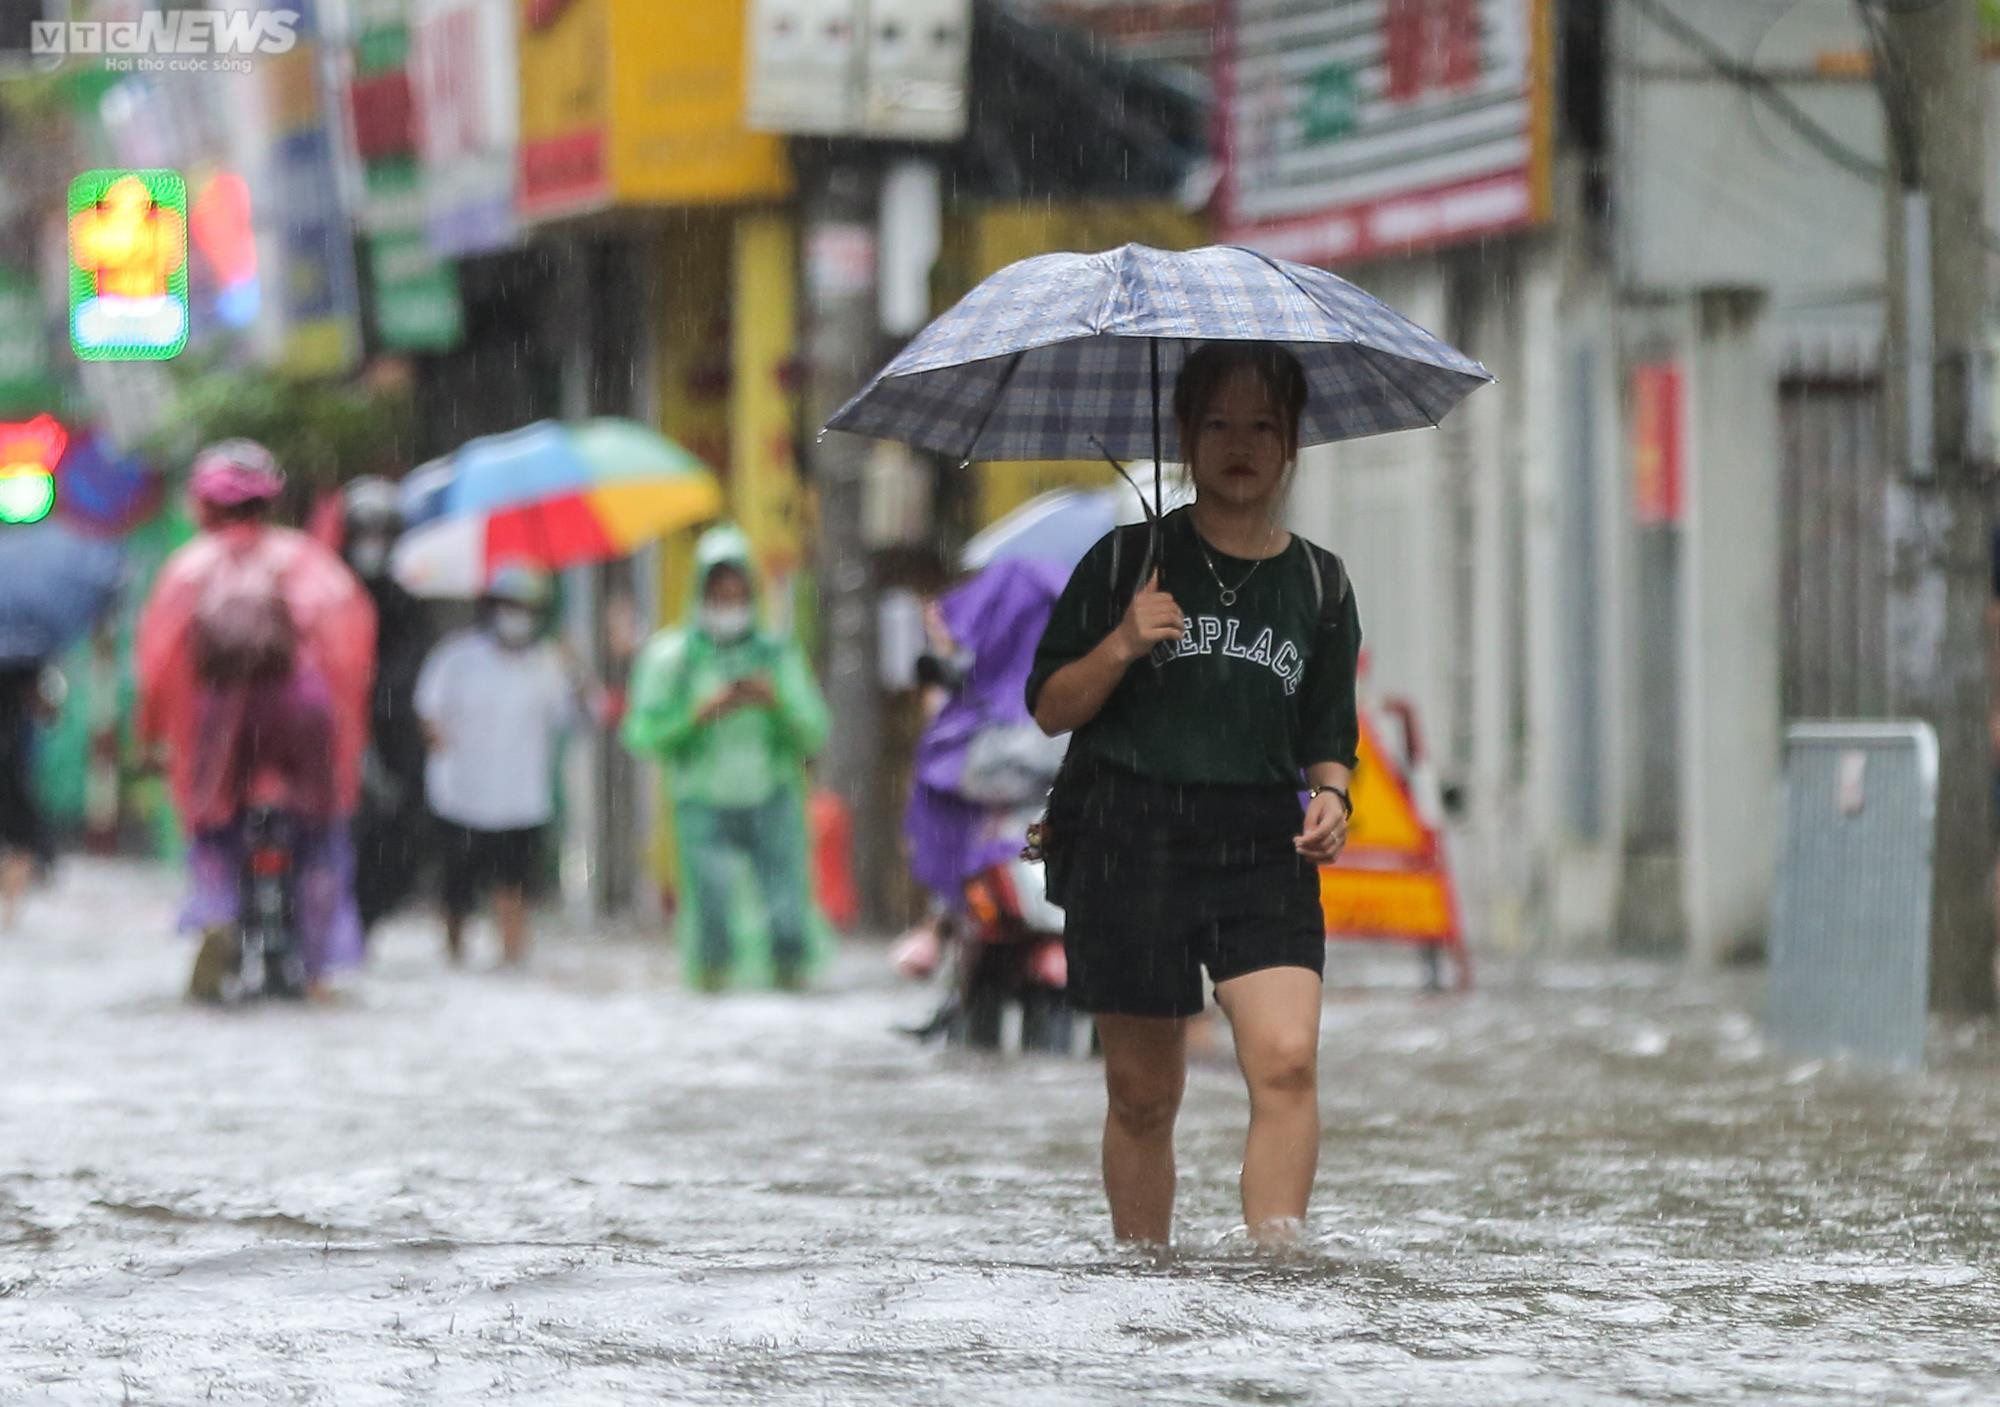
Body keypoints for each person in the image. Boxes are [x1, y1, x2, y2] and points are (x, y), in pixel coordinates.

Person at [1025, 340, 1361, 1249]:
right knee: (1143, 1093)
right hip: (1129, 838)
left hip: (1260, 844)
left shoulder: (1320, 583)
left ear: (1291, 442)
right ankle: (1145, 1278)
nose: (1240, 445)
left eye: (1262, 426)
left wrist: (1333, 798)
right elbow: (1050, 707)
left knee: (1287, 1061)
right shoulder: (1125, 561)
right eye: (1218, 424)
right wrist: (1122, 642)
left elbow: (1328, 734)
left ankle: (1278, 1273)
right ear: (1184, 434)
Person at [135, 440, 377, 1000]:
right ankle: (317, 969)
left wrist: (151, 737)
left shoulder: (189, 569)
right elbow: (351, 651)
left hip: (220, 724)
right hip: (303, 715)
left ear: (203, 505)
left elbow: (157, 665)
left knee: (215, 831)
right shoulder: (307, 561)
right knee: (317, 838)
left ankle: (217, 912)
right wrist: (344, 734)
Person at [622, 524, 830, 993]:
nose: (729, 606)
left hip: (772, 793)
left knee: (786, 908)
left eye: (738, 595)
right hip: (702, 798)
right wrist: (698, 714)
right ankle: (711, 986)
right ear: (700, 593)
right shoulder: (675, 659)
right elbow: (642, 733)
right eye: (719, 595)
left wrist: (774, 702)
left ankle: (790, 984)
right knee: (710, 908)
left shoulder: (775, 653)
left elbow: (814, 729)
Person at [414, 562, 577, 968]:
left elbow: (573, 718)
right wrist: (436, 737)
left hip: (521, 798)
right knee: (457, 891)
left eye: (525, 607)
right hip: (461, 795)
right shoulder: (457, 657)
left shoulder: (548, 663)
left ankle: (513, 962)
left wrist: (575, 666)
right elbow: (428, 710)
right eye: (509, 605)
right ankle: (454, 959)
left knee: (513, 884)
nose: (516, 615)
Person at [340, 476, 435, 939]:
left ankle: (369, 913)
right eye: (365, 534)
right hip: (334, 726)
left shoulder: (404, 599)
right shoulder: (328, 590)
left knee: (397, 823)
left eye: (381, 534)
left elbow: (414, 659)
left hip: (390, 728)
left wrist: (384, 696)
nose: (372, 545)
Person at [0, 660, 58, 927]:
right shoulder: (22, 656)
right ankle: (9, 913)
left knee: (23, 839)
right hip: (10, 768)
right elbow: (45, 709)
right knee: (23, 839)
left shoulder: (20, 655)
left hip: (11, 767)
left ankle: (10, 910)